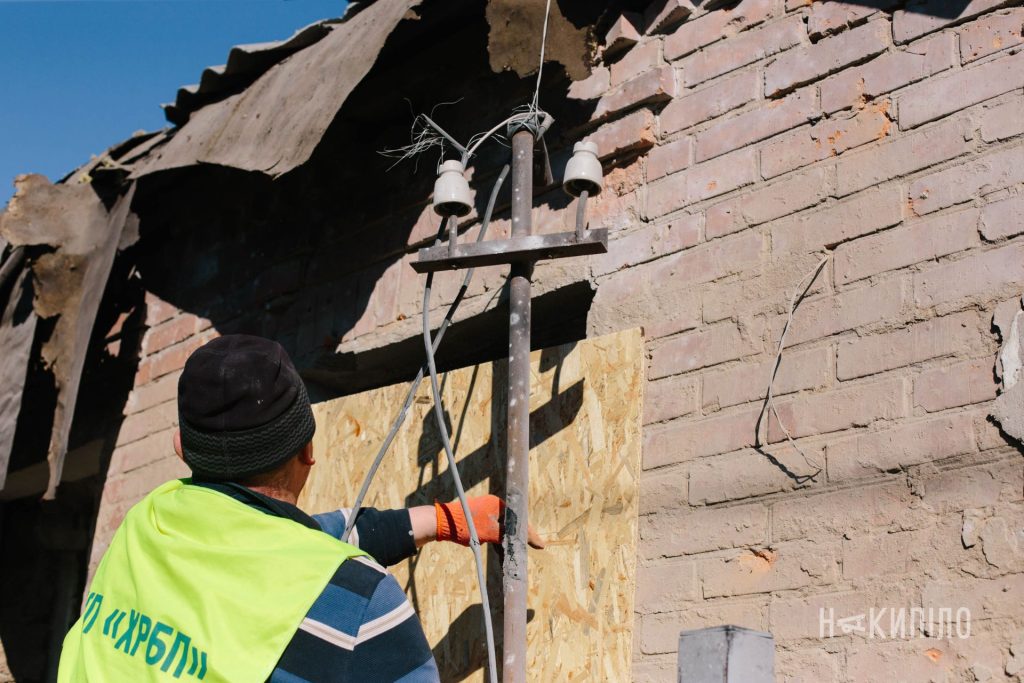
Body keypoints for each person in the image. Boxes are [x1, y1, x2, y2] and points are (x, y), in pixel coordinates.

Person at [58, 334, 542, 682]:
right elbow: (307, 560)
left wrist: (442, 521)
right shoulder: (364, 607)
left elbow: (307, 540)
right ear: (308, 453)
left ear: (180, 448)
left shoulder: (146, 525)